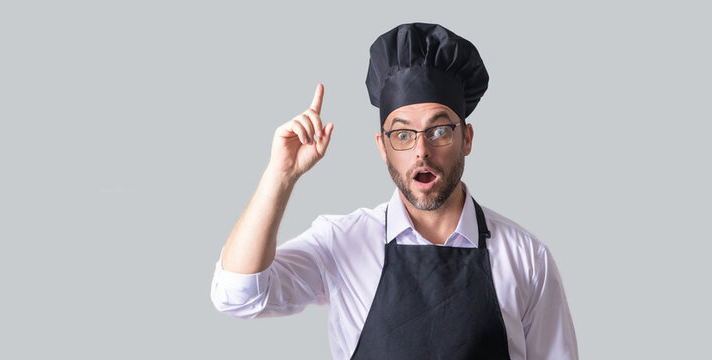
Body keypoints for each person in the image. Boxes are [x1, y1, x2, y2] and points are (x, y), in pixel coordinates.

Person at [210, 23, 578, 360]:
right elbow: (237, 294)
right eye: (403, 134)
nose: (421, 151)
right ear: (383, 147)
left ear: (465, 139)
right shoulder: (342, 243)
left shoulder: (527, 258)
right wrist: (281, 175)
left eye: (439, 131)